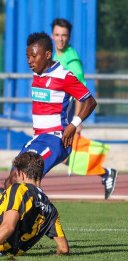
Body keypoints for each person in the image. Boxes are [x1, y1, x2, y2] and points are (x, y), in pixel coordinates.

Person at [0, 31, 97, 196]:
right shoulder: (37, 72)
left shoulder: (64, 76)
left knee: (26, 178)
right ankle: (11, 219)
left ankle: (42, 216)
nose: (29, 61)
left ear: (48, 55)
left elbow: (90, 101)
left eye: (33, 56)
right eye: (27, 57)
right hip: (37, 137)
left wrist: (73, 125)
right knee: (11, 179)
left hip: (55, 139)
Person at [51, 18, 118, 199]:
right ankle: (105, 173)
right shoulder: (55, 56)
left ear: (69, 37)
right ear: (52, 35)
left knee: (57, 152)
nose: (60, 39)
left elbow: (81, 92)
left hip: (70, 110)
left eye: (64, 35)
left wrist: (77, 121)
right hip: (59, 111)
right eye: (57, 35)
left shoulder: (72, 61)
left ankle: (20, 187)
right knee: (56, 152)